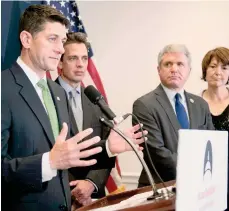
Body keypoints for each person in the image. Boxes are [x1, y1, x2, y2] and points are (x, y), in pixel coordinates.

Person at [1, 5, 146, 211]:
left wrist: (107, 148)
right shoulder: (3, 88)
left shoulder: (56, 92)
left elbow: (69, 154)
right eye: (52, 39)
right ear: (26, 40)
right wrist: (48, 162)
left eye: (62, 41)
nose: (60, 48)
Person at [132, 44, 214, 187]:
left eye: (180, 64)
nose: (174, 69)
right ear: (159, 70)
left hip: (199, 187)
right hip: (160, 188)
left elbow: (210, 144)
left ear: (189, 71)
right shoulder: (144, 105)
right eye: (168, 64)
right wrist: (195, 171)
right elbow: (157, 154)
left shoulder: (201, 104)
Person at [56, 32, 113, 205]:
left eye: (84, 58)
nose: (81, 65)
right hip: (61, 196)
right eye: (73, 58)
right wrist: (74, 189)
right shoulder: (47, 97)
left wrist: (90, 183)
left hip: (94, 197)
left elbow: (109, 147)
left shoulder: (95, 99)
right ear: (60, 62)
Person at [201, 47, 229, 211]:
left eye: (224, 68)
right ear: (205, 70)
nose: (218, 72)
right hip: (206, 178)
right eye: (212, 66)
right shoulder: (193, 104)